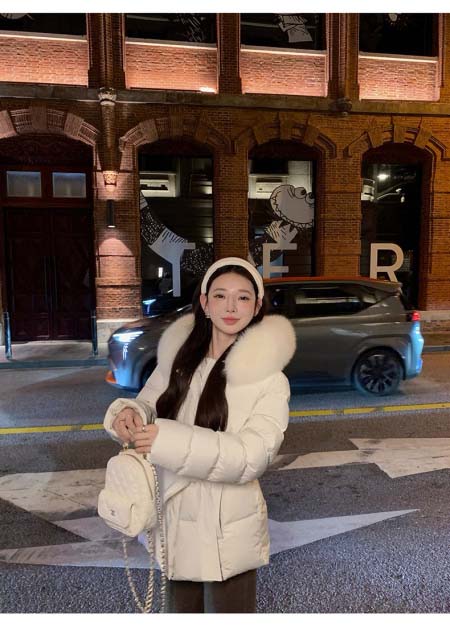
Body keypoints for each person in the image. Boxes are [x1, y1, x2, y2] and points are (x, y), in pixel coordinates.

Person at [103, 256, 296, 613]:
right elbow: (147, 403)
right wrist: (128, 414)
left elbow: (252, 457)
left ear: (256, 307)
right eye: (220, 296)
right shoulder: (178, 360)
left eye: (242, 297)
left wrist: (166, 441)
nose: (231, 307)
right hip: (174, 522)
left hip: (228, 530)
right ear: (205, 303)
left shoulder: (269, 378)